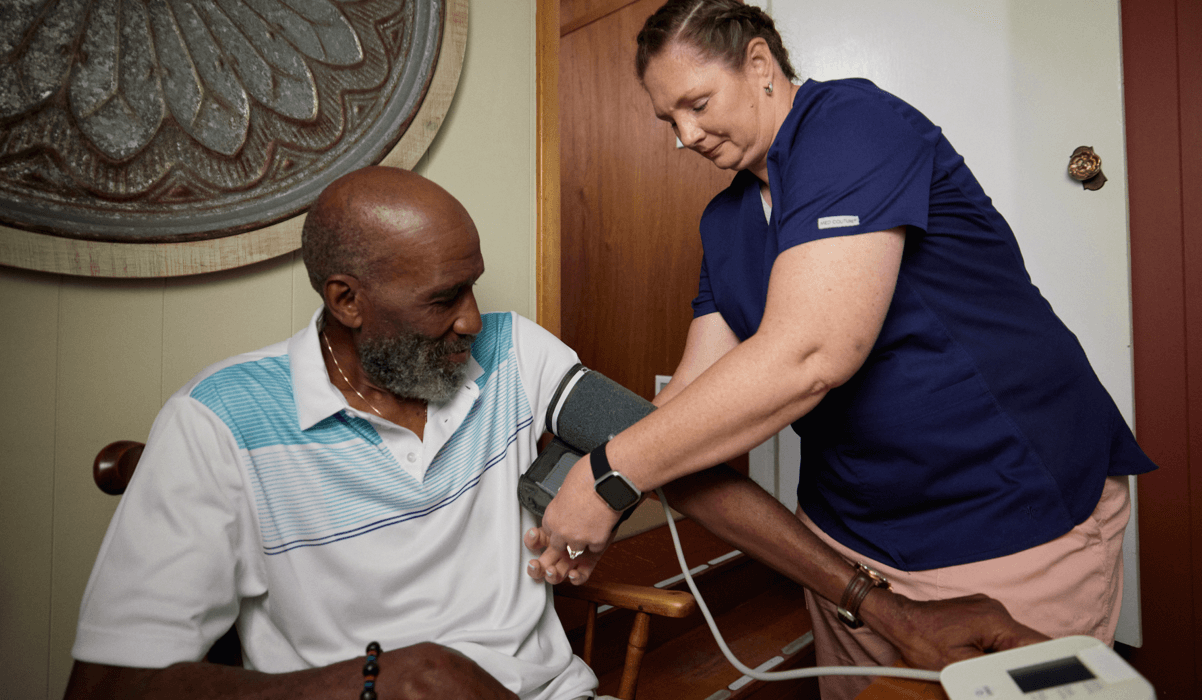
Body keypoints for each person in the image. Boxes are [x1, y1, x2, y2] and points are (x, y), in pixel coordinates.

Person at [527, 1, 1157, 698]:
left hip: (1001, 510)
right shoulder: (728, 218)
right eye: (667, 119)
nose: (685, 134)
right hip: (848, 536)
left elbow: (812, 354)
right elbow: (692, 396)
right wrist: (602, 497)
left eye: (697, 103)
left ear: (760, 65)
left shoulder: (851, 125)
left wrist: (613, 471)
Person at [63, 167, 605, 700]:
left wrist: (606, 490)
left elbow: (643, 435)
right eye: (444, 299)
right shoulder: (219, 419)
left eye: (473, 288)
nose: (473, 322)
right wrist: (383, 680)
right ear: (347, 301)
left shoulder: (514, 351)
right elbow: (110, 686)